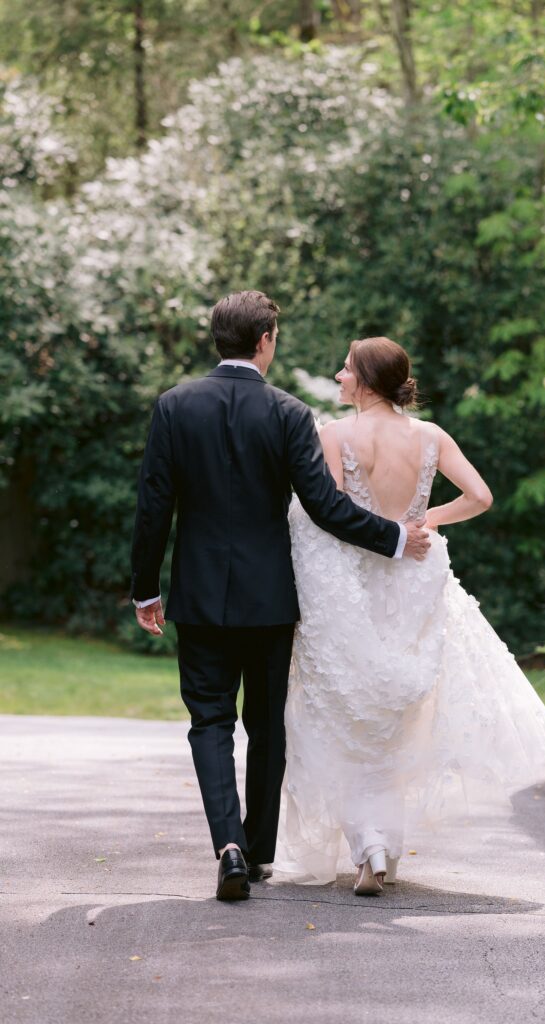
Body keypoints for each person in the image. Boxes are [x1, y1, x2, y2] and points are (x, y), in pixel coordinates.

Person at [129, 293, 431, 902]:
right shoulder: (290, 413)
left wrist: (144, 590)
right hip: (271, 598)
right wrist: (394, 537)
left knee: (209, 720)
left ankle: (229, 847)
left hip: (199, 594)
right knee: (266, 724)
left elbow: (153, 506)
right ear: (265, 339)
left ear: (220, 339)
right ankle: (259, 852)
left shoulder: (174, 406)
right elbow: (325, 507)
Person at [273, 336, 545, 894]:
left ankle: (370, 849)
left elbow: (329, 515)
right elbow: (479, 496)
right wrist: (427, 518)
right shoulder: (431, 437)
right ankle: (379, 846)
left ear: (364, 380)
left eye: (346, 369)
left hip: (356, 584)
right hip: (412, 581)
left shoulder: (334, 435)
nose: (338, 376)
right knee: (395, 722)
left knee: (349, 716)